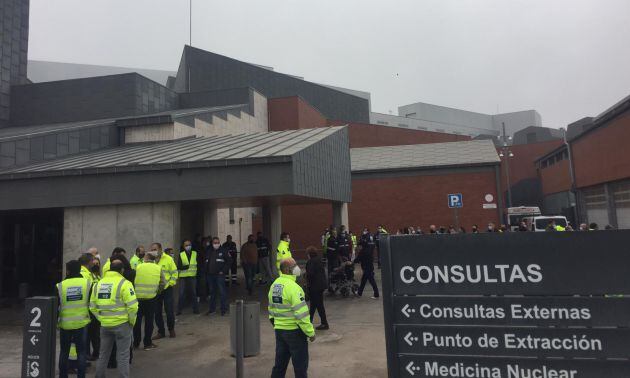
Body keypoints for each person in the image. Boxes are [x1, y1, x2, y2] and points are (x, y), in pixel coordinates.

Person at [268, 258, 315, 378]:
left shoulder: (275, 285)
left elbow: (271, 310)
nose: (297, 267)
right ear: (288, 270)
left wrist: (277, 324)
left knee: (279, 365)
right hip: (295, 332)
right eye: (295, 265)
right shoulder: (294, 288)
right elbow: (302, 315)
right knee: (300, 367)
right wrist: (310, 332)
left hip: (280, 331)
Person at [90, 260, 138, 378]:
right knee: (123, 355)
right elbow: (133, 306)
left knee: (103, 354)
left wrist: (101, 318)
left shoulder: (98, 284)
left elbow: (92, 306)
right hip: (122, 324)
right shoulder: (125, 284)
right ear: (122, 270)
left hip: (105, 325)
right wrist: (131, 322)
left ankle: (99, 376)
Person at [58, 260, 91, 378]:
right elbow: (90, 302)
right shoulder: (87, 283)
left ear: (68, 270)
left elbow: (57, 306)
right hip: (81, 323)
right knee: (81, 352)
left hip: (65, 324)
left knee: (64, 352)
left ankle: (63, 376)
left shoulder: (61, 285)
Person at [133, 251, 165, 351]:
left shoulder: (138, 267)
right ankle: (147, 343)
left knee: (137, 322)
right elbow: (163, 283)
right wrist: (157, 292)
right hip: (151, 298)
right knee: (149, 321)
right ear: (154, 259)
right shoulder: (158, 268)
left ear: (146, 258)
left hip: (137, 298)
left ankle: (136, 343)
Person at [153, 242, 178, 339]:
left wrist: (170, 283)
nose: (153, 251)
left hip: (167, 289)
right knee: (157, 311)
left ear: (160, 249)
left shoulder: (168, 259)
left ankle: (171, 329)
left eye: (155, 249)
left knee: (169, 310)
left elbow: (174, 273)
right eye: (152, 249)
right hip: (156, 290)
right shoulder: (151, 260)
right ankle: (161, 332)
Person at [78, 253, 100, 362]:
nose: (94, 263)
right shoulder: (84, 274)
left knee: (90, 333)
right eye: (92, 261)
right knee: (88, 334)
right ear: (88, 262)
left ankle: (88, 355)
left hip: (87, 308)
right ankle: (85, 356)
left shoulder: (87, 273)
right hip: (87, 308)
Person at [205, 237, 231, 315]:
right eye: (214, 243)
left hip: (219, 275)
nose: (216, 244)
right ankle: (212, 309)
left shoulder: (224, 251)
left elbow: (229, 261)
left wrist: (223, 271)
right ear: (212, 243)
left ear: (219, 242)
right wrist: (206, 271)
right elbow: (206, 262)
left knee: (222, 292)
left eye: (217, 242)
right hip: (210, 275)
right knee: (212, 292)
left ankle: (224, 309)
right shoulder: (209, 251)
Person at [305, 247, 328, 330]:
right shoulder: (319, 260)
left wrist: (306, 276)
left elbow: (310, 274)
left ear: (309, 254)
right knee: (315, 305)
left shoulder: (311, 262)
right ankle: (311, 322)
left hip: (314, 287)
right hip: (320, 286)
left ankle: (324, 323)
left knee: (317, 306)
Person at [177, 239, 199, 315]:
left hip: (192, 276)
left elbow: (198, 264)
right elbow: (179, 266)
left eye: (189, 245)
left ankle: (196, 309)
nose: (188, 246)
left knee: (193, 293)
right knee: (181, 294)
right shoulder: (181, 254)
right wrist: (186, 267)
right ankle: (179, 310)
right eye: (186, 245)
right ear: (183, 246)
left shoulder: (195, 253)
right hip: (183, 277)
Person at [354, 230, 379, 299]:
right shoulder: (369, 248)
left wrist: (352, 262)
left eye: (360, 245)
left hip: (366, 268)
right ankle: (359, 293)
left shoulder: (363, 251)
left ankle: (376, 294)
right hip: (369, 266)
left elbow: (357, 259)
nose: (359, 247)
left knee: (372, 281)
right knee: (363, 280)